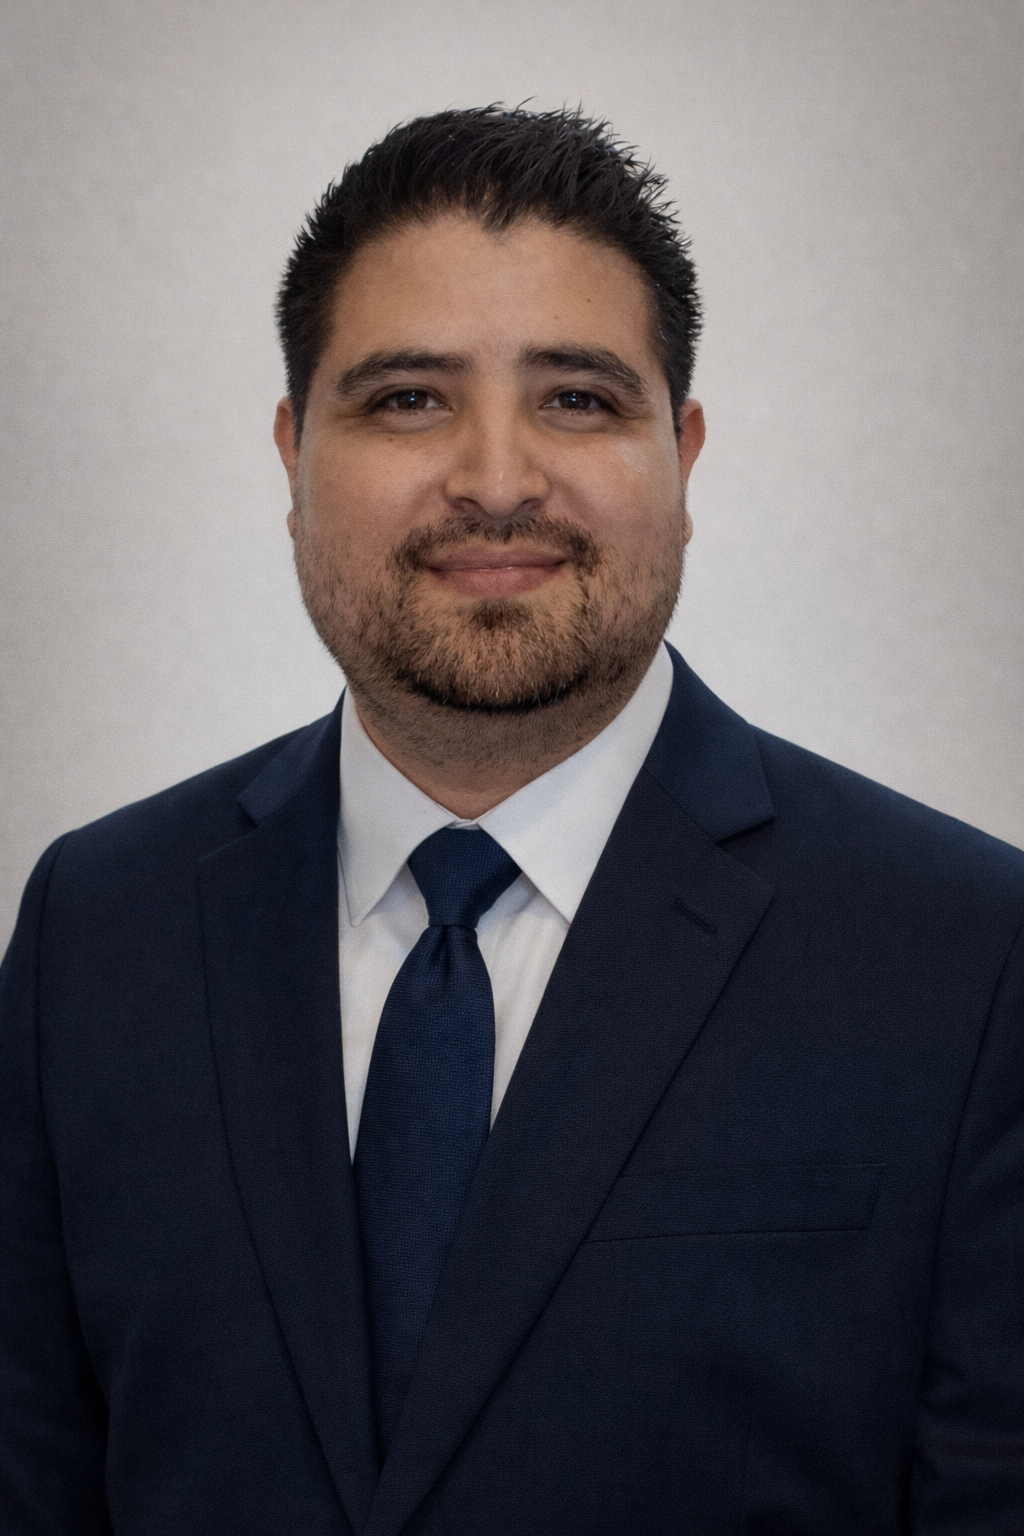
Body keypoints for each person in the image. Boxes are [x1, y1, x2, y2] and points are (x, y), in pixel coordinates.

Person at [1, 105, 1022, 1536]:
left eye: (579, 399)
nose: (494, 479)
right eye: (409, 397)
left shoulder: (965, 956)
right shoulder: (95, 930)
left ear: (688, 452)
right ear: (294, 453)